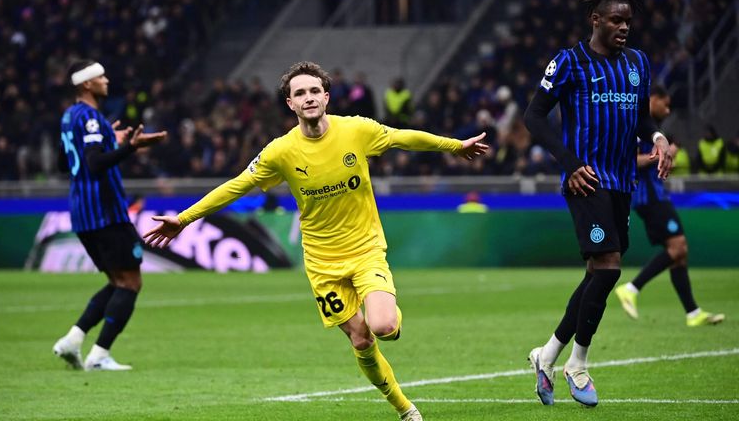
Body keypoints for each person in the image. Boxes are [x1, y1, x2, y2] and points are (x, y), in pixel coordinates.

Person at [143, 61, 488, 420]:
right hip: (322, 264)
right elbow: (236, 186)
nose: (307, 98)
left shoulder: (356, 129)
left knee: (383, 327)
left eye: (313, 91)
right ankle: (405, 409)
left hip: (365, 249)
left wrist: (454, 146)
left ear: (326, 96)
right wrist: (183, 219)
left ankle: (387, 318)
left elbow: (403, 137)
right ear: (290, 104)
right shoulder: (280, 152)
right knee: (361, 340)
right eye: (299, 93)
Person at [522, 0, 672, 407]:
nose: (624, 26)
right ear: (595, 20)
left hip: (624, 181)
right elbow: (534, 116)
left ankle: (547, 355)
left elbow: (642, 119)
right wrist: (570, 163)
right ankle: (578, 363)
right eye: (615, 20)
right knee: (608, 269)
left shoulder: (638, 63)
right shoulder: (568, 62)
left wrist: (658, 138)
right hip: (586, 180)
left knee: (598, 272)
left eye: (628, 21)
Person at [52, 59, 167, 371]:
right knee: (130, 282)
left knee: (118, 280)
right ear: (87, 84)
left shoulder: (70, 116)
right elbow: (93, 164)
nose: (106, 79)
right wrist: (129, 147)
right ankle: (99, 355)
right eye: (100, 76)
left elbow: (64, 163)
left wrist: (109, 140)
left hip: (83, 212)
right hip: (105, 211)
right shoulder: (90, 117)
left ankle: (73, 341)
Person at [614, 86, 724, 326]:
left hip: (656, 195)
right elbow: (628, 160)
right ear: (652, 100)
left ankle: (693, 313)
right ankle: (631, 288)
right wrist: (661, 155)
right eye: (665, 103)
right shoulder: (637, 125)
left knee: (679, 255)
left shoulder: (653, 130)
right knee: (678, 247)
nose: (668, 109)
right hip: (649, 198)